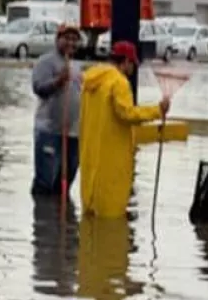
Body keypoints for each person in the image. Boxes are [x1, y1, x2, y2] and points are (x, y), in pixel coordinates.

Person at [78, 41, 170, 219]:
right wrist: (158, 110)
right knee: (110, 220)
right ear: (126, 61)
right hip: (111, 160)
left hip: (90, 159)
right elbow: (127, 113)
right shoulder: (119, 83)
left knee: (89, 220)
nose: (134, 68)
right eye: (133, 63)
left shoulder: (92, 81)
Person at [31, 24, 83, 197]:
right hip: (50, 132)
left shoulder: (76, 66)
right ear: (57, 40)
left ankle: (62, 221)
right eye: (67, 38)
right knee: (46, 182)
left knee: (65, 183)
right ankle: (43, 219)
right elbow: (38, 88)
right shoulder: (45, 61)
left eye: (75, 40)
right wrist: (58, 81)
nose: (71, 43)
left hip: (73, 133)